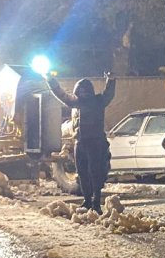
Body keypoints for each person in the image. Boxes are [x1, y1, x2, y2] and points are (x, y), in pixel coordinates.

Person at [47, 72, 116, 212]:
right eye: (81, 91)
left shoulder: (98, 101)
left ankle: (96, 201)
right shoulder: (75, 102)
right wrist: (51, 80)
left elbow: (109, 94)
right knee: (82, 173)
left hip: (95, 142)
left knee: (95, 172)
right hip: (80, 142)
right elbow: (61, 94)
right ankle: (87, 200)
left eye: (85, 91)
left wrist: (111, 79)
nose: (83, 93)